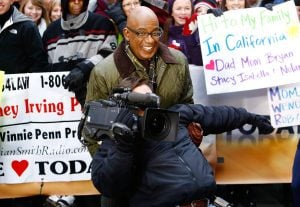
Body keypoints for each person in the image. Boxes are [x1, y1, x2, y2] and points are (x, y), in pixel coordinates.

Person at [91, 76, 274, 207]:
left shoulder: (174, 116)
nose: (147, 108)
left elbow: (217, 115)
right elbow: (108, 185)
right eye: (141, 103)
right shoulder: (115, 139)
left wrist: (249, 117)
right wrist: (124, 145)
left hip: (206, 201)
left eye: (151, 100)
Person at [42, 0, 117, 106]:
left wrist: (84, 68)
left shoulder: (103, 24)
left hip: (95, 100)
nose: (77, 2)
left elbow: (111, 55)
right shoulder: (50, 32)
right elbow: (44, 69)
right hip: (58, 106)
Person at [0, 0, 48, 74]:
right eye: (30, 8)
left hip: (17, 83)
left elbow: (39, 62)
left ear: (12, 1)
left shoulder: (27, 26)